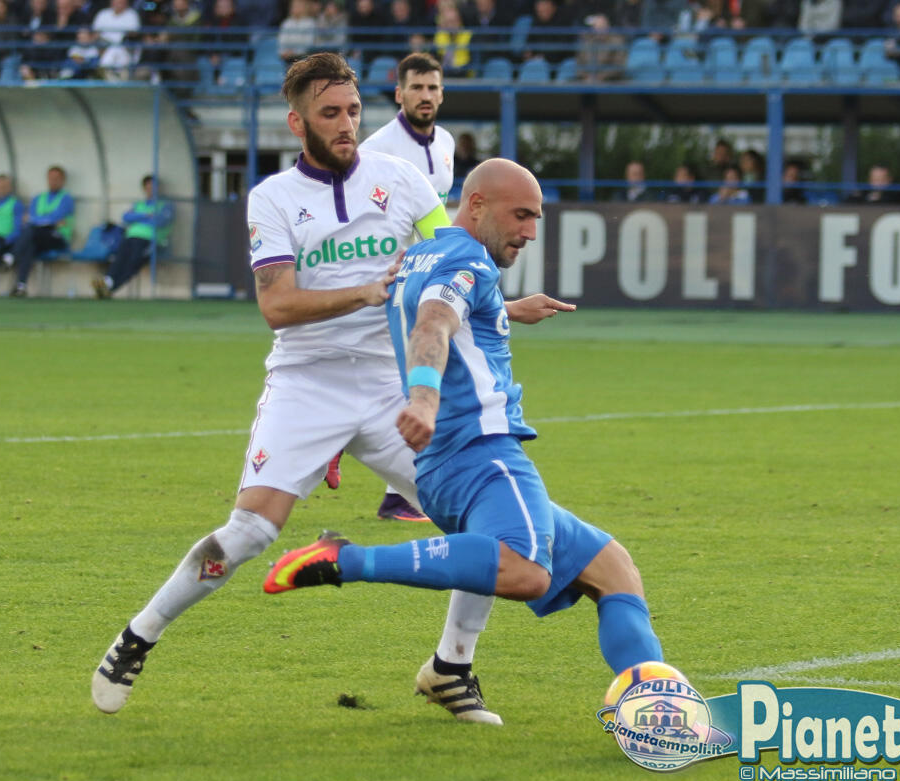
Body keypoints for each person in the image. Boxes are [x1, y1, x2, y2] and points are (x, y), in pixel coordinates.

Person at [90, 53, 569, 722]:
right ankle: (139, 636)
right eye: (330, 114)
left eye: (352, 111)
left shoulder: (400, 181)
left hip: (389, 383)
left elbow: (450, 264)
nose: (346, 125)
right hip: (306, 382)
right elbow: (277, 306)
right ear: (298, 123)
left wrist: (505, 307)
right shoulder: (272, 198)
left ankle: (451, 667)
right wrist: (366, 292)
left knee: (480, 522)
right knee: (250, 530)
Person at [263, 158, 669, 716]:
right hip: (481, 453)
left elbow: (438, 311)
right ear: (477, 205)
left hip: (449, 462)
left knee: (612, 568)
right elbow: (434, 322)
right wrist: (424, 400)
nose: (531, 231)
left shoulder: (421, 255)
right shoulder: (468, 260)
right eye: (521, 215)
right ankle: (346, 560)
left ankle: (656, 708)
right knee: (526, 571)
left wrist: (504, 310)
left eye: (536, 217)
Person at [355, 52, 454, 522]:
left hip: (428, 279)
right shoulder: (377, 149)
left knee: (420, 380)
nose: (425, 95)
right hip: (387, 286)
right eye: (416, 87)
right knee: (405, 383)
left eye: (432, 87)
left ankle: (397, 490)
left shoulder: (446, 142)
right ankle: (399, 493)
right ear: (399, 93)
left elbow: (436, 217)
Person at [92, 175, 174, 298]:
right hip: (130, 237)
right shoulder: (139, 204)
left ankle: (110, 287)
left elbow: (161, 221)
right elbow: (126, 217)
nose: (151, 189)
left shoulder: (165, 205)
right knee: (119, 259)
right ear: (144, 189)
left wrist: (138, 217)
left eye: (154, 186)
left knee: (133, 262)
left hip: (150, 241)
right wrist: (146, 215)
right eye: (148, 187)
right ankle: (107, 282)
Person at [9, 165, 75, 298]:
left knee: (31, 231)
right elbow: (31, 218)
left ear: (63, 181)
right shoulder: (38, 198)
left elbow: (52, 218)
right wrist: (45, 220)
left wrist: (38, 220)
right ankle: (21, 285)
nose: (53, 181)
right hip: (38, 237)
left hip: (57, 237)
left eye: (56, 179)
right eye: (51, 178)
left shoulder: (66, 199)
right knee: (30, 245)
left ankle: (11, 256)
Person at [91, 0, 141, 81]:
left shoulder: (132, 14)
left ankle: (104, 68)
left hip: (125, 47)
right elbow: (96, 33)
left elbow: (134, 34)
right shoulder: (103, 14)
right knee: (111, 48)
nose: (119, 4)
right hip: (104, 45)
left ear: (126, 3)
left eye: (121, 2)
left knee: (115, 49)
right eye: (116, 1)